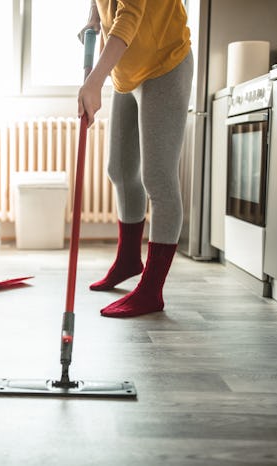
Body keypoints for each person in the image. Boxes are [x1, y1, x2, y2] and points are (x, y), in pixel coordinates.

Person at [77, 0, 193, 318]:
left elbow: (130, 14)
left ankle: (151, 290)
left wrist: (94, 81)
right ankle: (128, 260)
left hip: (163, 63)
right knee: (120, 168)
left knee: (157, 176)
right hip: (126, 70)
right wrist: (93, 19)